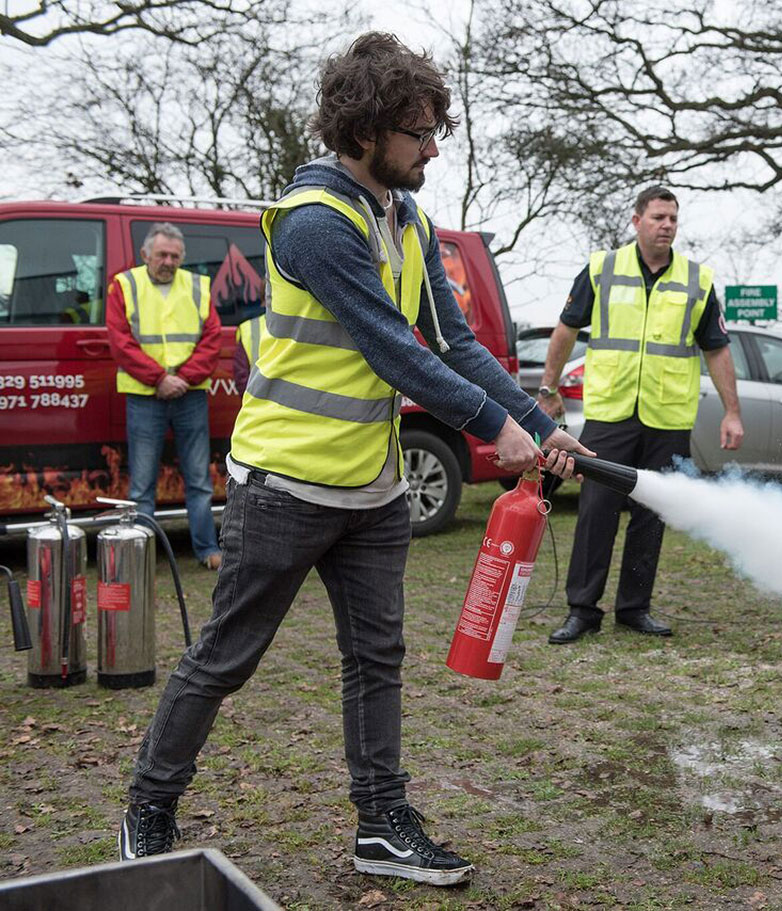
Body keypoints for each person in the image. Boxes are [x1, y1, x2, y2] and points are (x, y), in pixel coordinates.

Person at [116, 32, 589, 887]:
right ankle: (149, 804)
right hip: (285, 486)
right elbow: (391, 349)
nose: (433, 149)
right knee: (225, 658)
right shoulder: (314, 223)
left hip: (373, 489)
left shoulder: (407, 219)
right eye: (419, 133)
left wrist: (538, 421)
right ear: (365, 130)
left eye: (436, 131)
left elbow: (454, 342)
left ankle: (381, 824)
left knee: (377, 660)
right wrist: (494, 425)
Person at [538, 186, 743, 645]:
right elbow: (566, 329)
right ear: (636, 221)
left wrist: (733, 411)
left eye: (673, 218)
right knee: (596, 511)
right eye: (658, 217)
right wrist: (548, 389)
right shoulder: (602, 269)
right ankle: (582, 610)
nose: (667, 225)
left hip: (667, 417)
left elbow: (717, 349)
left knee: (652, 514)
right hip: (610, 413)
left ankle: (634, 608)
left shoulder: (698, 280)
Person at [106, 222, 223, 570]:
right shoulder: (124, 285)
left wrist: (182, 378)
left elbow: (212, 339)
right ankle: (140, 555)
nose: (168, 262)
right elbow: (120, 342)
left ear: (182, 257)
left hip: (189, 393)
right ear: (145, 254)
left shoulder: (198, 285)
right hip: (146, 395)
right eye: (161, 255)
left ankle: (207, 549)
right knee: (142, 484)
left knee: (199, 480)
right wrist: (159, 378)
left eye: (174, 256)